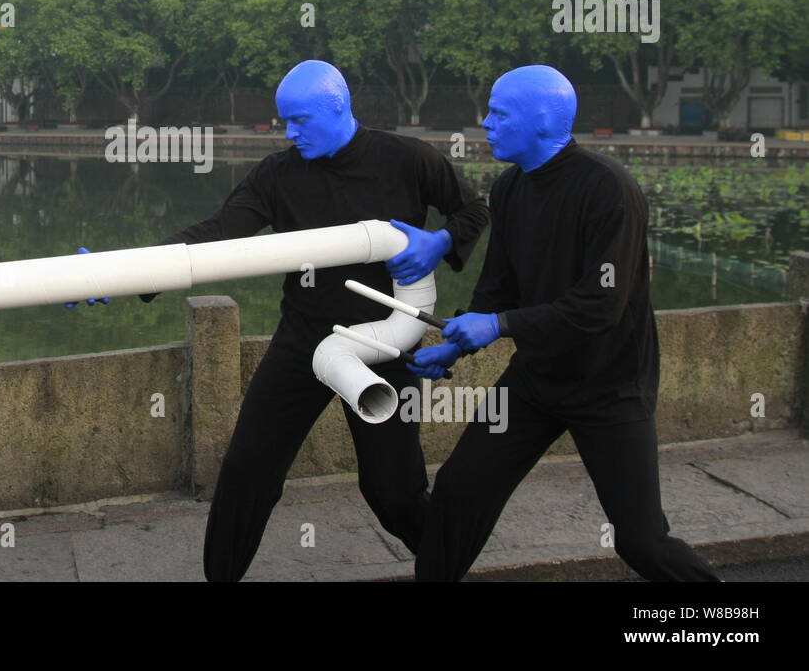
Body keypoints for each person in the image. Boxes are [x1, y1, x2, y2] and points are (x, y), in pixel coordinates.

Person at [98, 60, 489, 581]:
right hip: (304, 342)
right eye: (285, 121)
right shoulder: (277, 174)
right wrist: (123, 271)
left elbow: (473, 211)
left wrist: (437, 243)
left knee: (392, 492)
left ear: (339, 108)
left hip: (384, 345)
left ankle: (446, 568)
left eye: (301, 120)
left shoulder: (409, 159)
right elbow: (217, 233)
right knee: (245, 472)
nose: (290, 133)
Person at [411, 65, 719, 582]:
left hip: (611, 386)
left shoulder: (608, 190)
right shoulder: (509, 188)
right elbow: (497, 290)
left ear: (542, 120)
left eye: (500, 113)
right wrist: (454, 344)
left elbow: (601, 306)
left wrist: (501, 325)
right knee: (459, 492)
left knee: (641, 540)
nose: (485, 123)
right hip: (536, 381)